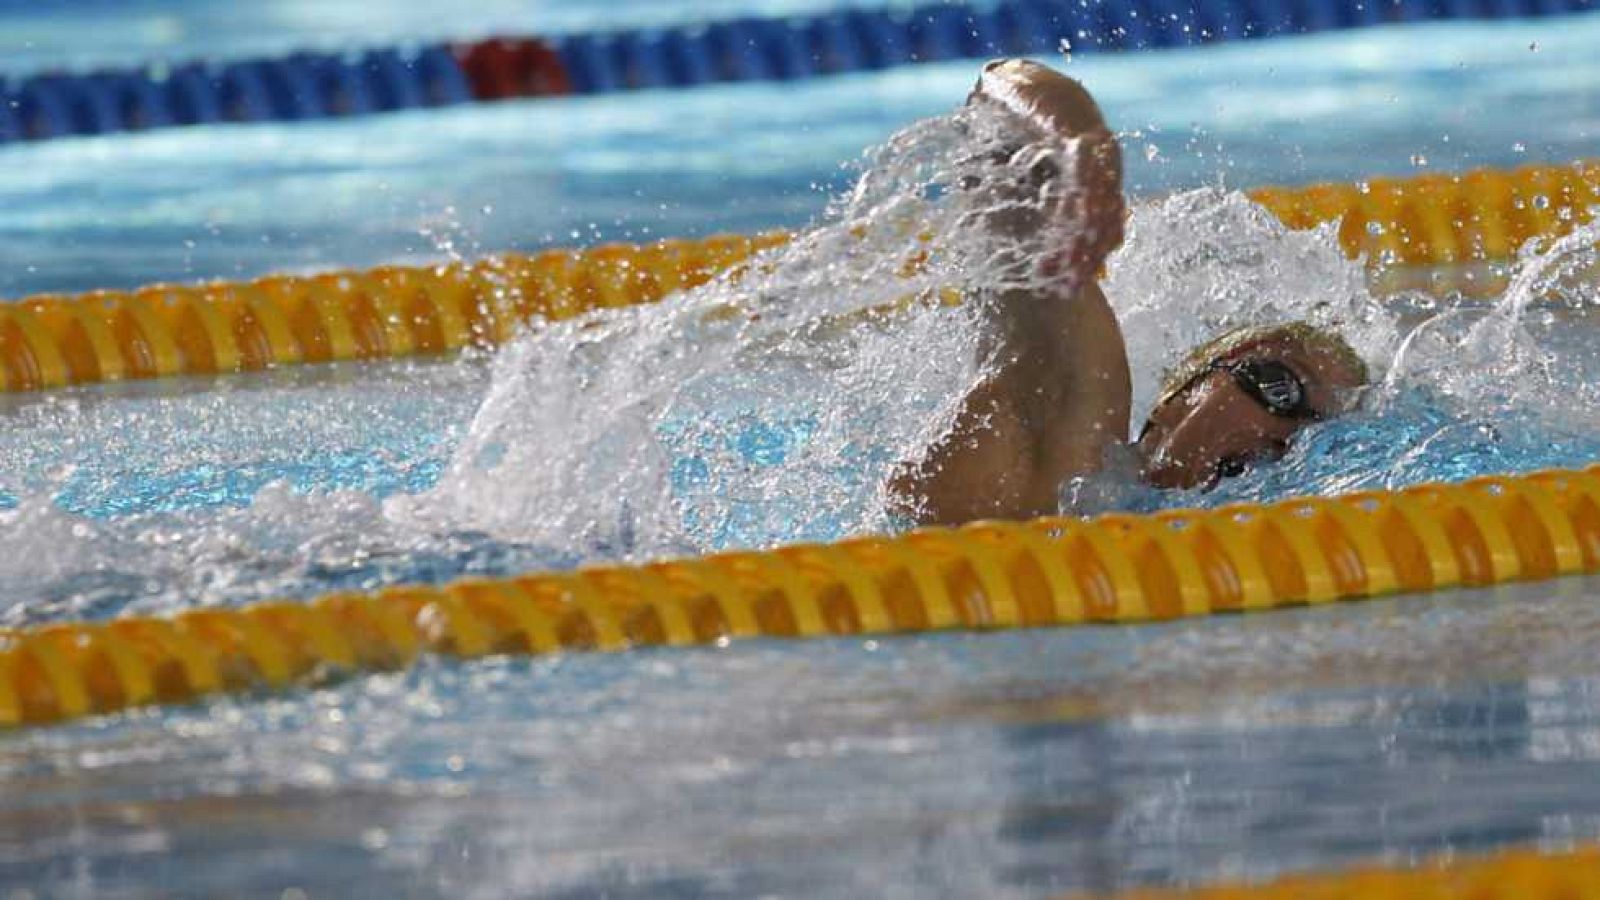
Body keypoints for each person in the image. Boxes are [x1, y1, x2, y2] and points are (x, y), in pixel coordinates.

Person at [886, 59, 1369, 526]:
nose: (1285, 441)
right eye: (1280, 390)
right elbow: (996, 98)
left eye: (1317, 436)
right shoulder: (1074, 432)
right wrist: (1080, 149)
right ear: (1184, 393)